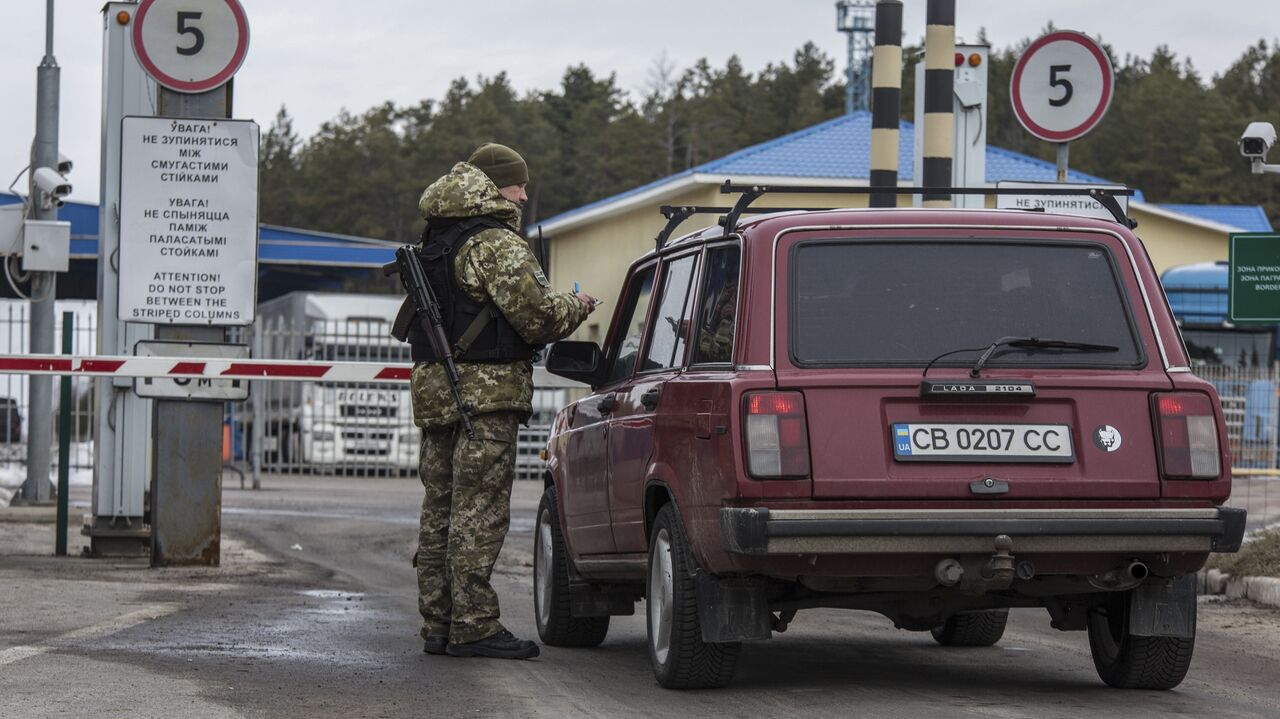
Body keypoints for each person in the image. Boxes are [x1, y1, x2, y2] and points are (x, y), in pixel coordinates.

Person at [409, 143, 595, 660]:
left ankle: (439, 621)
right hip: (484, 398)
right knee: (479, 509)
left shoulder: (438, 237)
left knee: (441, 507)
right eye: (518, 184)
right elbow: (537, 318)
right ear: (496, 187)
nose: (525, 193)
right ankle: (474, 626)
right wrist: (576, 306)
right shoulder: (496, 242)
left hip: (438, 393)